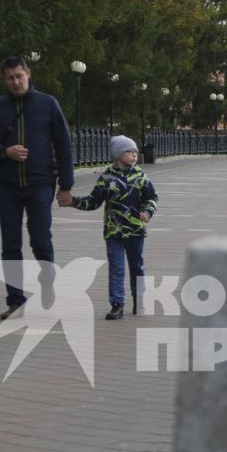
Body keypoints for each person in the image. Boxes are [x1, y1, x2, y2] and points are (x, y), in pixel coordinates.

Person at [0, 57, 74, 320]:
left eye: (19, 76)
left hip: (40, 183)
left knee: (40, 239)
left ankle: (47, 278)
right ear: (4, 79)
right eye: (10, 77)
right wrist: (3, 151)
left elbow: (64, 145)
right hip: (8, 186)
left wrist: (66, 186)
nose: (15, 82)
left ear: (28, 74)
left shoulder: (47, 104)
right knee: (10, 245)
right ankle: (15, 300)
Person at [67, 135, 157, 319]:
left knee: (137, 267)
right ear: (118, 154)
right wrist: (72, 202)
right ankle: (117, 304)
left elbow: (151, 198)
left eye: (135, 152)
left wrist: (147, 212)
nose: (134, 155)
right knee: (116, 268)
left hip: (135, 231)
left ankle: (139, 301)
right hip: (113, 231)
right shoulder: (106, 177)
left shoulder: (140, 176)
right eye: (129, 151)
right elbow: (93, 202)